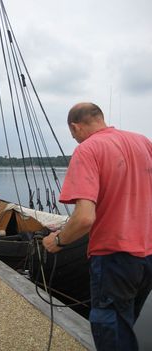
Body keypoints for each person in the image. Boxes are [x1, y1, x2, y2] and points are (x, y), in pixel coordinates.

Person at [42, 102, 152, 351]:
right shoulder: (143, 142)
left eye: (73, 135)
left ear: (75, 126)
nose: (75, 140)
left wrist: (58, 241)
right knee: (126, 325)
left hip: (114, 257)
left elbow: (83, 218)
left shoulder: (88, 149)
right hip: (147, 254)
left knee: (112, 331)